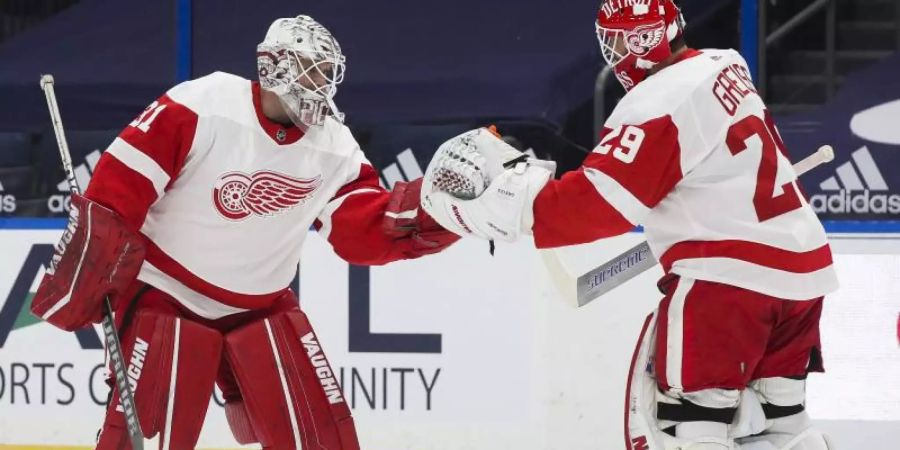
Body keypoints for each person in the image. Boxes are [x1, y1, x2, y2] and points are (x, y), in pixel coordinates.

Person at [419, 1, 837, 449]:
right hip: (803, 272)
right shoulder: (726, 63)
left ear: (642, 41)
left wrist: (511, 205)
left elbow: (600, 205)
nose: (612, 52)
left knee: (693, 426)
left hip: (726, 281)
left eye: (617, 39)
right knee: (784, 423)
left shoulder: (659, 100)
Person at [31, 15, 459, 450]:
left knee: (322, 437)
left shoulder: (334, 146)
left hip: (262, 305)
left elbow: (361, 228)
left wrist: (443, 213)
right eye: (309, 67)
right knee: (147, 438)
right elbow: (119, 189)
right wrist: (87, 268)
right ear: (272, 66)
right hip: (165, 296)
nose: (320, 81)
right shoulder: (203, 104)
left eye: (326, 72)